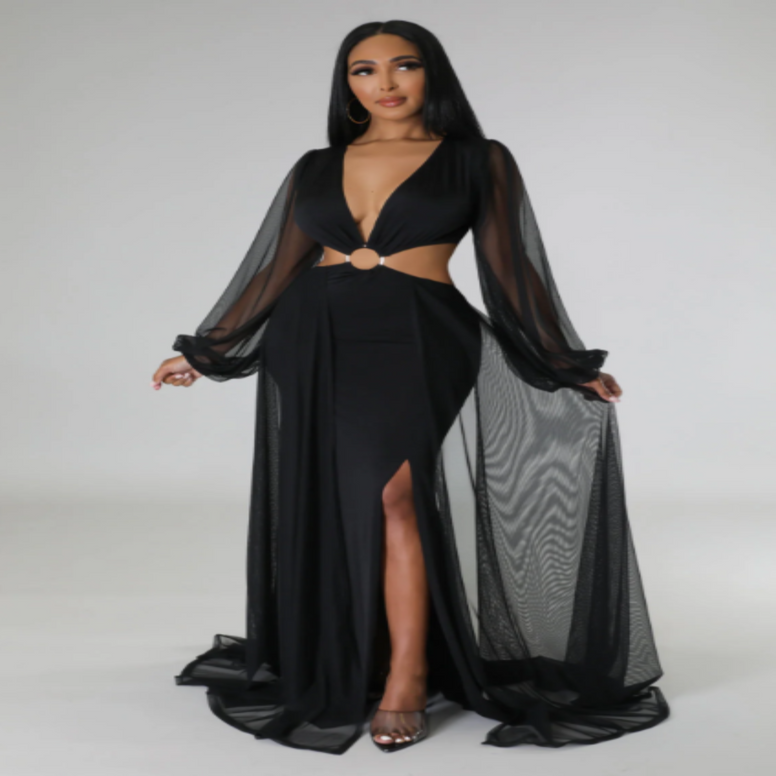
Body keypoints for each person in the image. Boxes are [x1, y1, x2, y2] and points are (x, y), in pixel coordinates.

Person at [151, 20, 669, 756]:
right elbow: (275, 268)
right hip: (313, 338)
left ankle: (407, 673)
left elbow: (512, 270)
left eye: (404, 65)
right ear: (347, 85)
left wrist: (565, 360)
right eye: (363, 70)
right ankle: (353, 649)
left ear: (433, 74)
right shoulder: (316, 166)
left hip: (421, 336)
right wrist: (208, 351)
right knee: (345, 502)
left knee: (398, 495)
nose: (385, 83)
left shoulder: (477, 160)